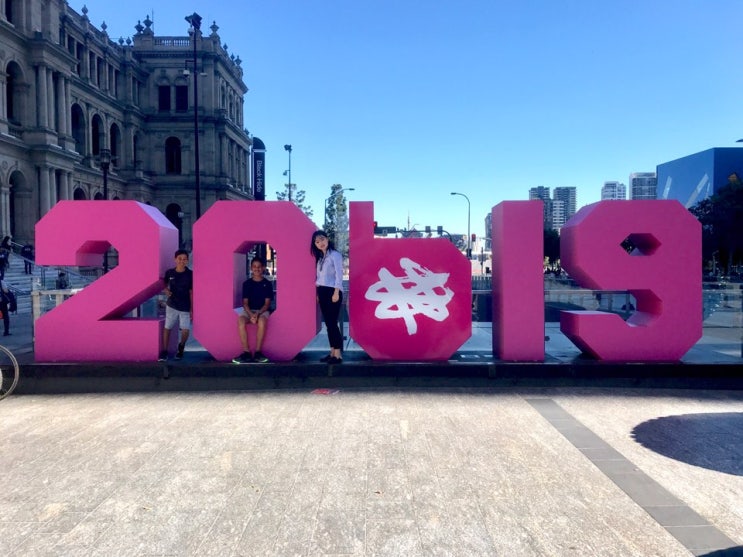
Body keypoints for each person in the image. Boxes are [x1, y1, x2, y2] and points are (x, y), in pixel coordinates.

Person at [311, 230, 344, 364]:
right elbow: (319, 278)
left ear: (327, 239)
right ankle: (332, 352)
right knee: (328, 325)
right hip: (322, 291)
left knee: (332, 323)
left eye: (322, 239)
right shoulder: (320, 257)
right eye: (317, 241)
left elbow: (339, 274)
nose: (321, 243)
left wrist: (336, 292)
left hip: (333, 291)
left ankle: (338, 354)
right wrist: (318, 293)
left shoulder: (335, 255)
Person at [232, 257, 273, 364]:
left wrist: (257, 314)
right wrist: (251, 315)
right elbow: (245, 303)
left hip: (262, 311)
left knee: (262, 322)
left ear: (263, 268)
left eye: (259, 267)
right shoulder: (247, 284)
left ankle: (258, 352)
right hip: (249, 310)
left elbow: (267, 304)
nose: (257, 269)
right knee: (240, 322)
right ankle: (246, 352)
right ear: (251, 268)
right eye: (254, 266)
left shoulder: (267, 284)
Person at [158, 249, 193, 361]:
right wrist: (166, 290)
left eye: (184, 259)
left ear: (187, 261)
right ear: (175, 259)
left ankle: (181, 346)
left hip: (185, 306)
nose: (182, 261)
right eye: (180, 259)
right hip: (172, 305)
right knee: (167, 327)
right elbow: (163, 284)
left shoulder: (190, 274)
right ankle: (164, 351)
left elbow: (191, 292)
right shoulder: (170, 273)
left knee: (185, 330)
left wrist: (192, 309)